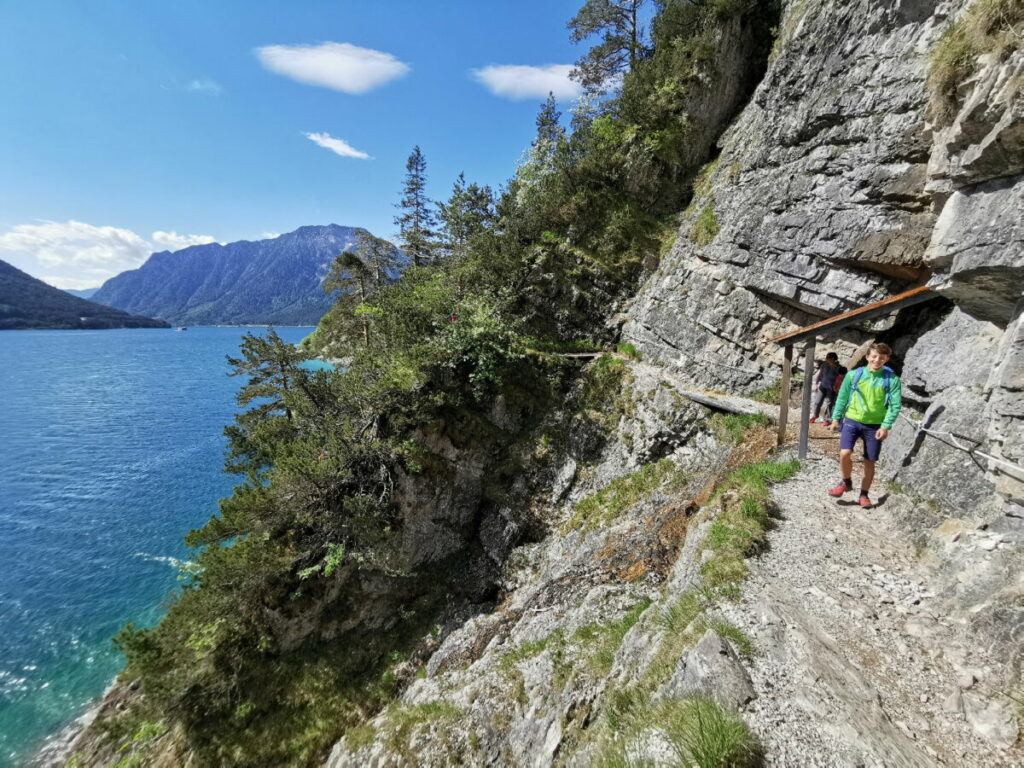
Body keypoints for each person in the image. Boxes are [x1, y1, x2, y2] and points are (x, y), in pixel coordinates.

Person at [827, 343, 902, 507]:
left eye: (881, 358)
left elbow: (895, 406)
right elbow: (842, 397)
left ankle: (864, 494)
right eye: (874, 356)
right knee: (844, 453)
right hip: (852, 420)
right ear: (867, 356)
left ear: (886, 359)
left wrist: (885, 426)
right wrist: (835, 418)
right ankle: (846, 482)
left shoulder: (892, 380)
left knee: (870, 461)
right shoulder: (853, 375)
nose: (877, 360)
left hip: (875, 426)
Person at [809, 352, 844, 423]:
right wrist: (816, 384)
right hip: (822, 386)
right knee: (817, 401)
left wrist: (837, 388)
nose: (826, 359)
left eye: (828, 358)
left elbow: (840, 378)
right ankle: (814, 416)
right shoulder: (824, 365)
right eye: (826, 358)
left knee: (829, 403)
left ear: (833, 359)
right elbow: (820, 374)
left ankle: (827, 419)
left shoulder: (839, 367)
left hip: (832, 388)